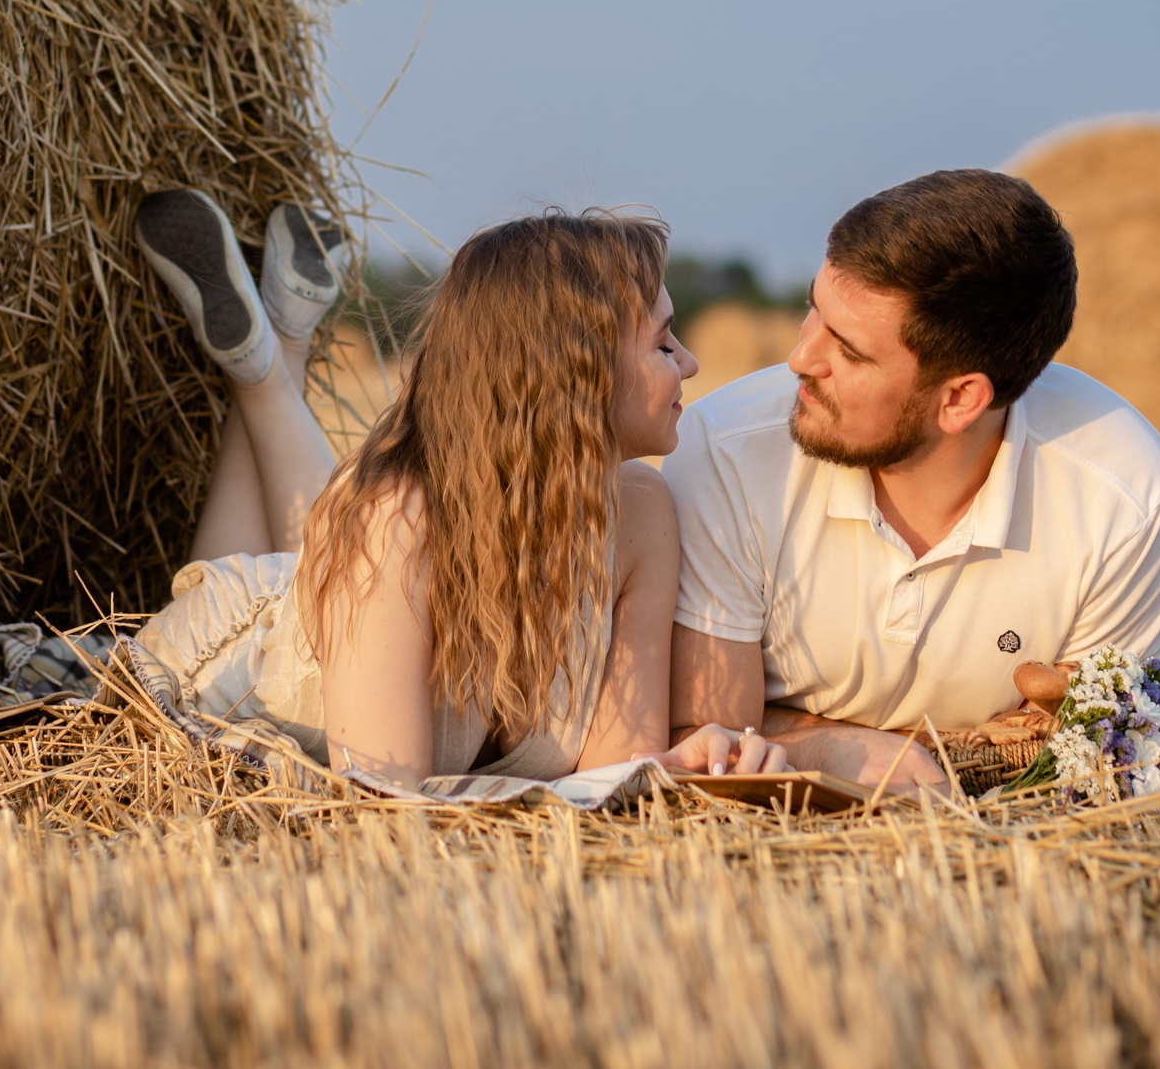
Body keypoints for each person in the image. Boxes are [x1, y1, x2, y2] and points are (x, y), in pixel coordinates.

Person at [129, 192, 787, 788]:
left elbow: (608, 785)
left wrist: (670, 766)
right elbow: (383, 797)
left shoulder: (643, 515)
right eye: (663, 343)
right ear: (577, 374)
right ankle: (271, 361)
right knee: (362, 520)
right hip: (229, 654)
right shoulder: (399, 518)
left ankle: (271, 355)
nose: (692, 362)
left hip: (339, 583)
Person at [665, 169, 1160, 796]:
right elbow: (705, 735)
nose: (800, 358)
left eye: (850, 351)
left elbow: (1090, 750)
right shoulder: (724, 451)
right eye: (814, 309)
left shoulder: (1127, 499)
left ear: (961, 399)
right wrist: (839, 747)